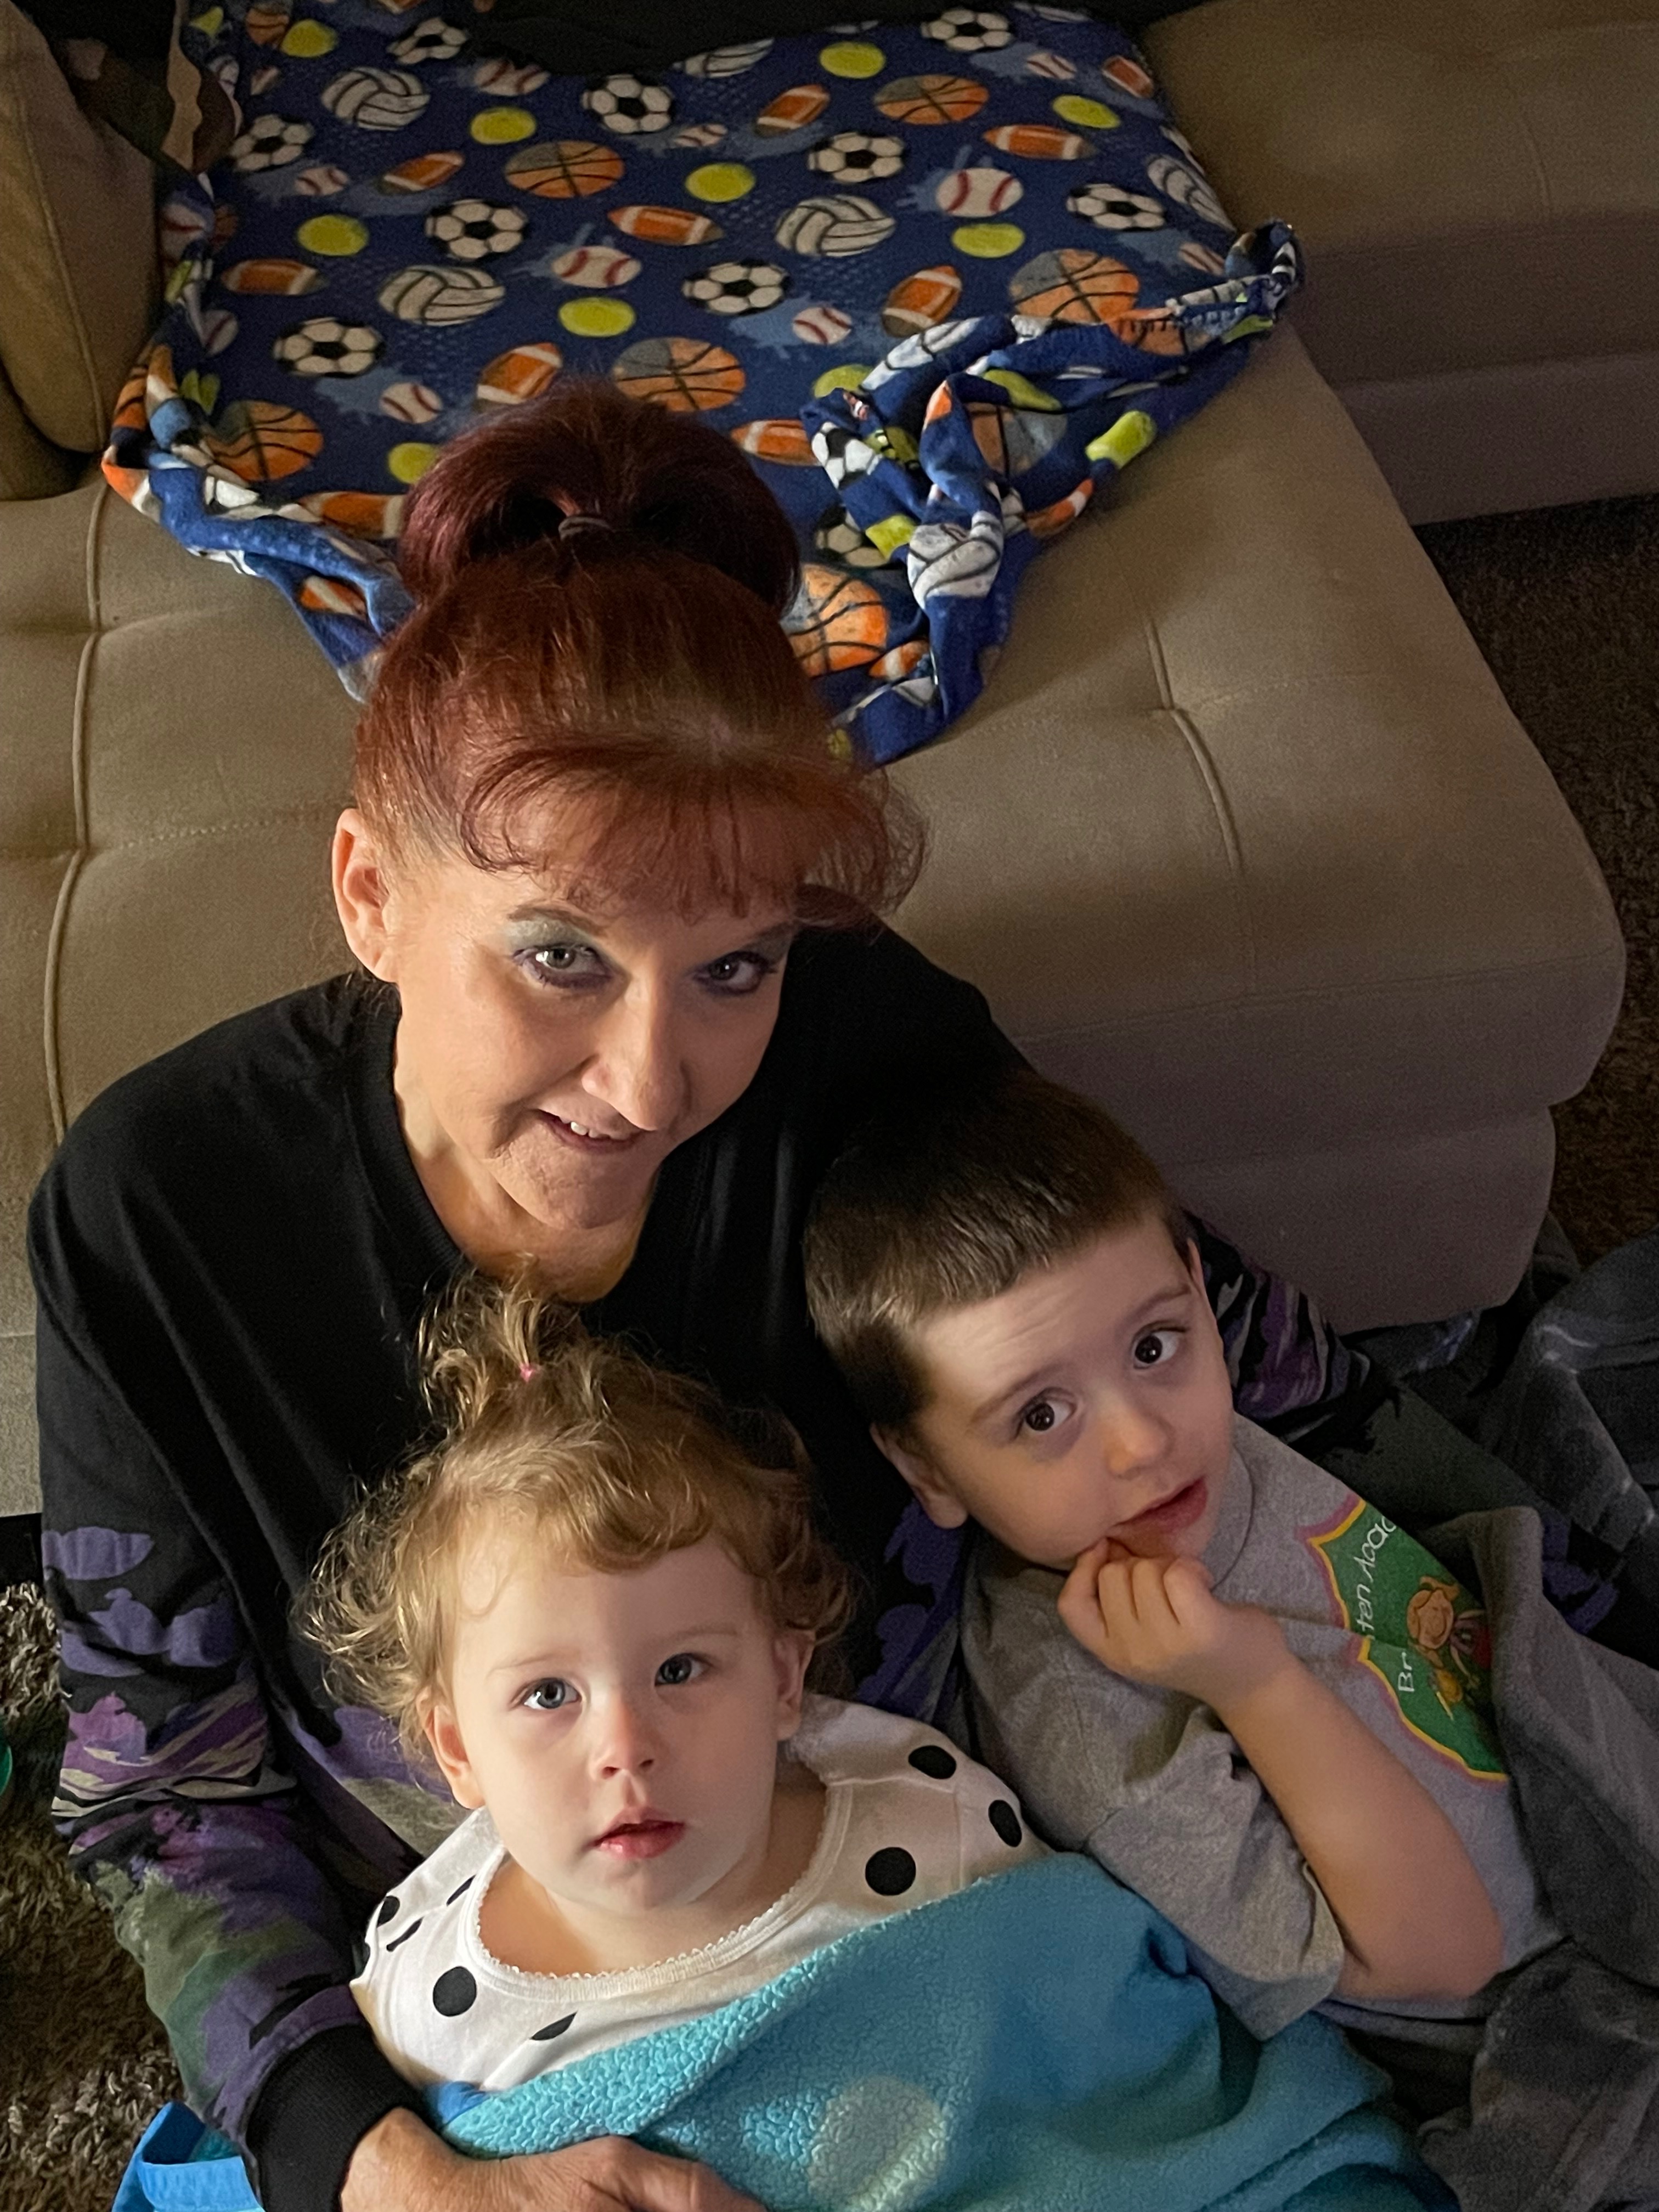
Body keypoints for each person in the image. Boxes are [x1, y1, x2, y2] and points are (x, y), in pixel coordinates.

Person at [33, 381, 1380, 2212]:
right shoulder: (159, 1209)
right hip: (504, 2021)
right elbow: (164, 1792)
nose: (653, 1080)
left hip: (935, 1931)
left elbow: (1210, 1343)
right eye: (559, 957)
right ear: (369, 895)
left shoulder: (868, 1048)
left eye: (734, 965)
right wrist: (385, 2168)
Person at [803, 1066, 1565, 2053]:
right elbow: (1445, 1958)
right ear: (925, 1469)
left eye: (1153, 1348)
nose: (1142, 1442)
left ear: (1201, 1298)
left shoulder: (1185, 1457)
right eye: (1041, 1416)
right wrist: (1254, 1685)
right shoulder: (1088, 1728)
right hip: (1539, 2001)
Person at [302, 1279, 1045, 2094]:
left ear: (783, 1678)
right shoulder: (427, 2008)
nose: (626, 1749)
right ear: (457, 1749)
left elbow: (1080, 2053)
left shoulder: (940, 1837)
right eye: (548, 1695)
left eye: (679, 1670)